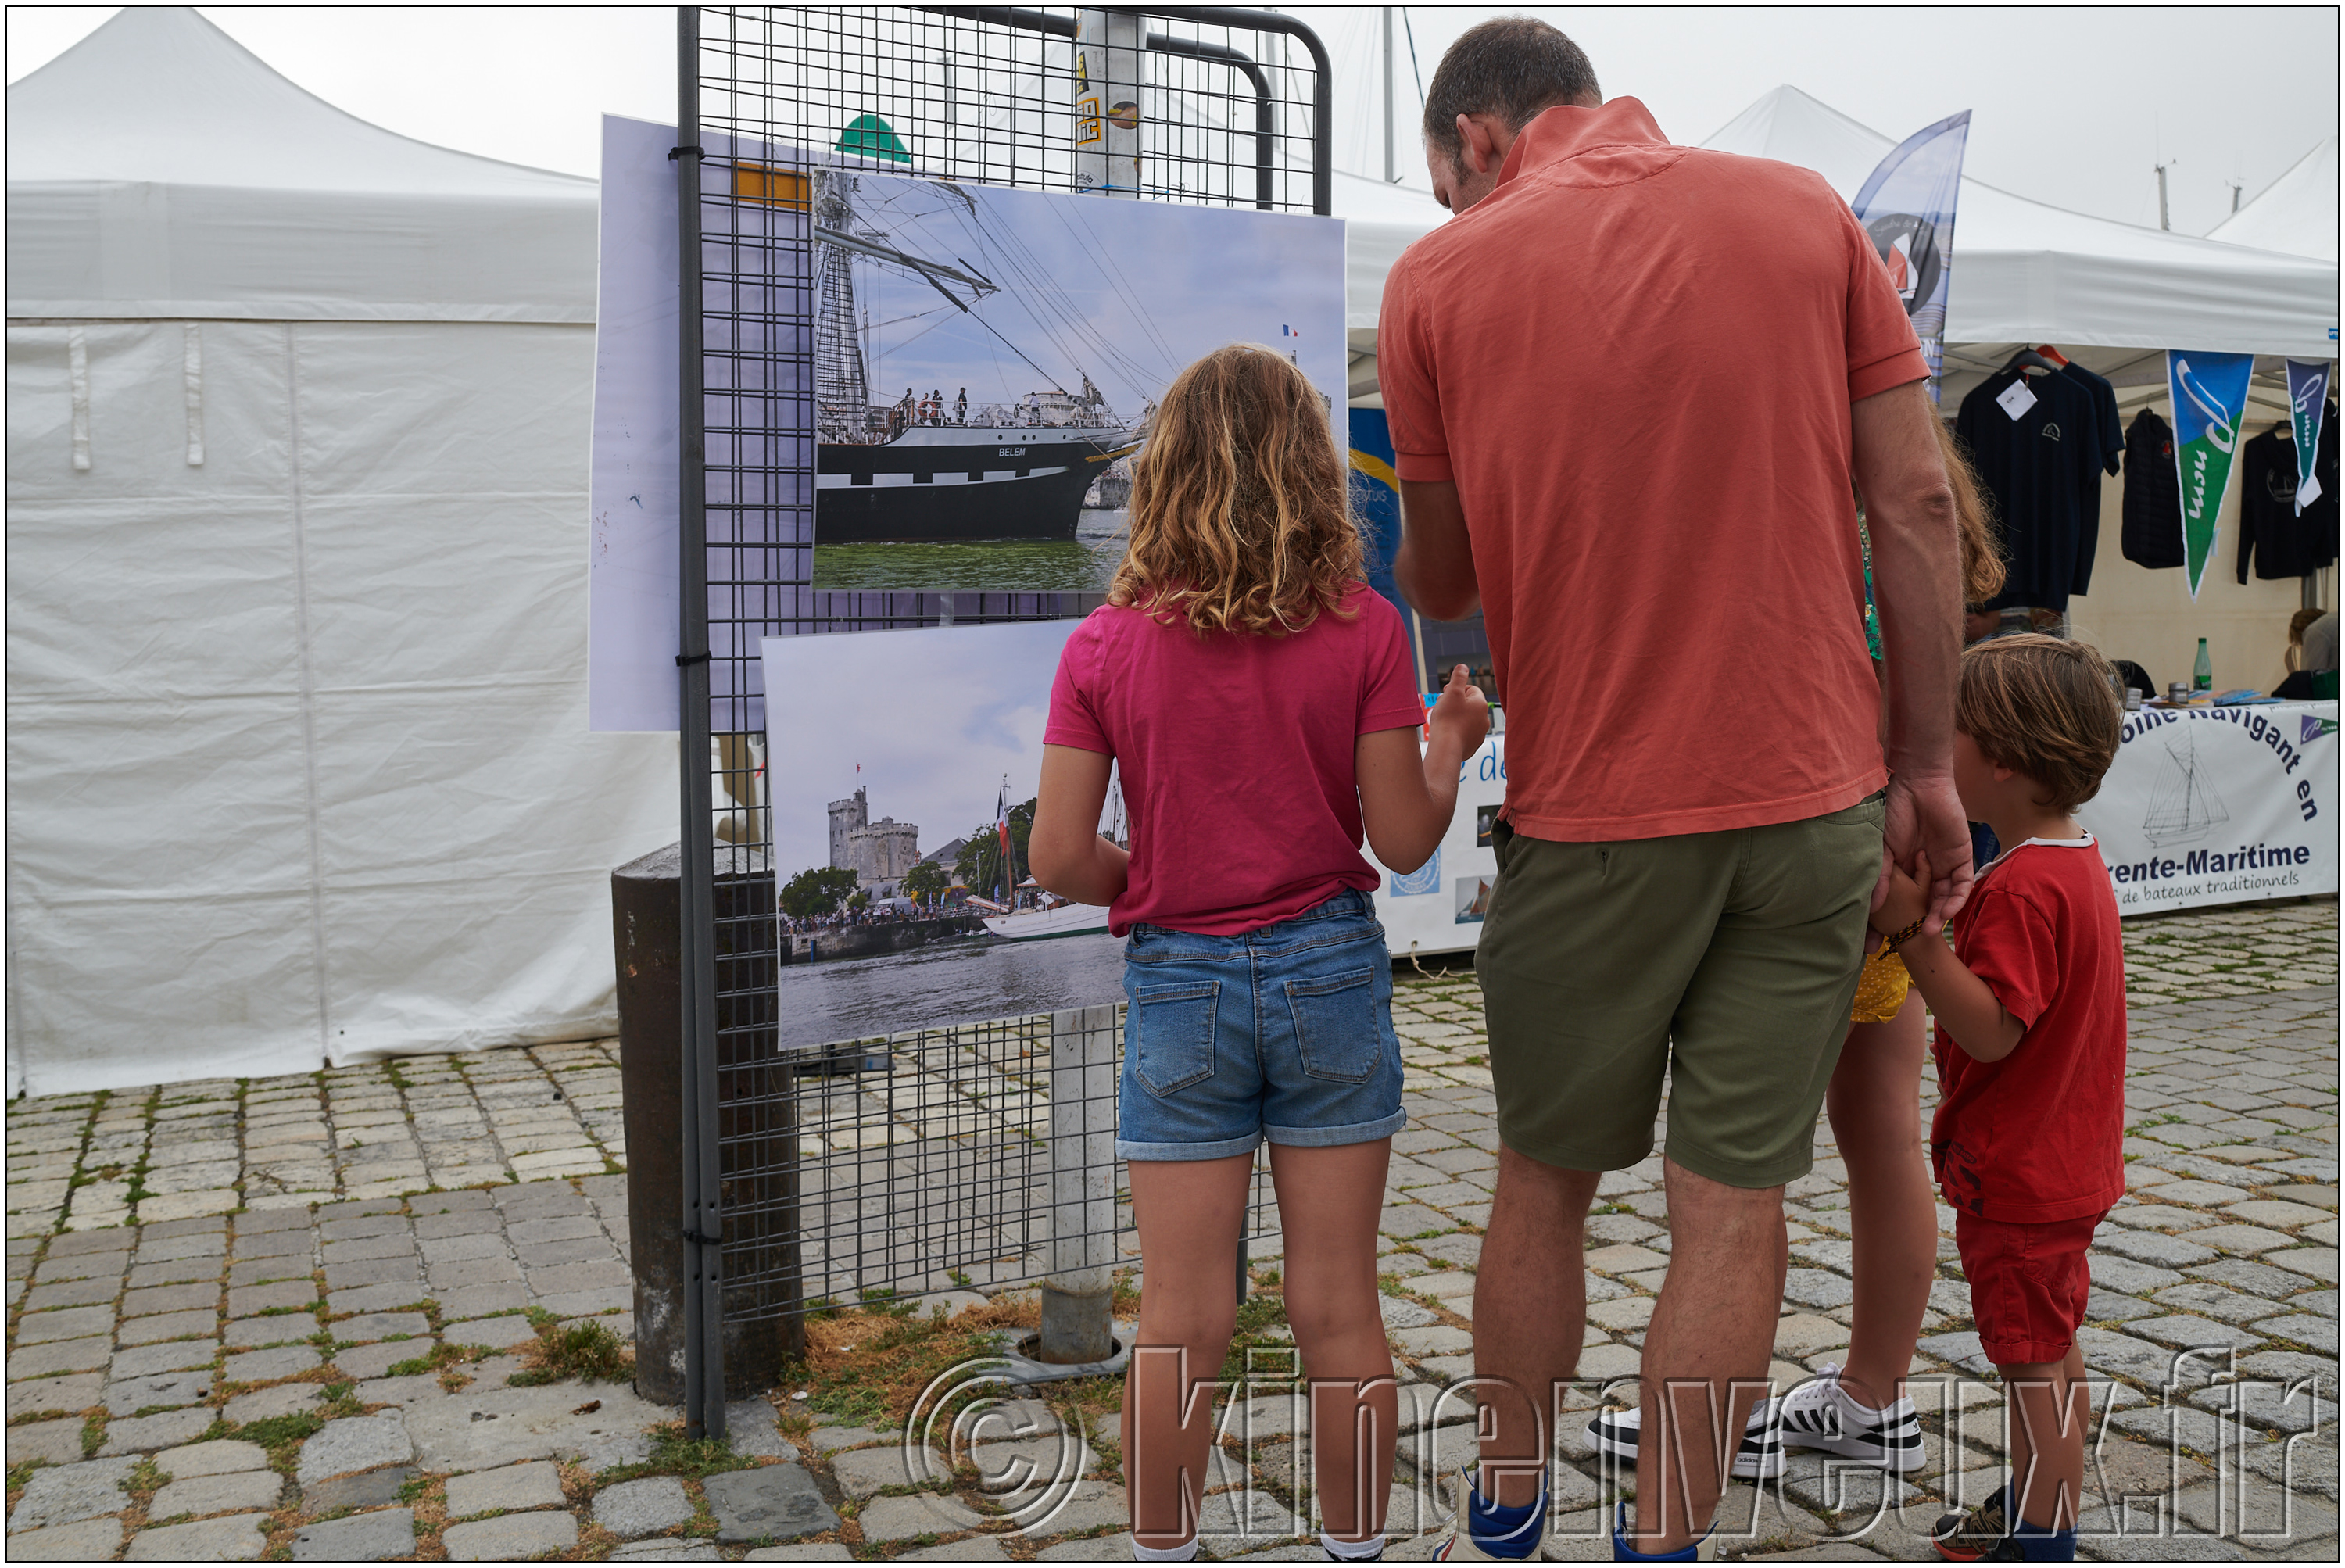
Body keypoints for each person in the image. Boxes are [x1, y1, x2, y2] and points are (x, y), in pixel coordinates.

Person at [1377, 19, 1969, 1562]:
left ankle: (1506, 1506)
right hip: (1814, 794)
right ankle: (1667, 1544)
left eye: (1450, 185)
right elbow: (1912, 499)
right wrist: (1923, 762)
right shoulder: (1803, 213)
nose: (1456, 212)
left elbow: (1442, 579)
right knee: (1734, 1202)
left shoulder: (1441, 282)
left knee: (1543, 1181)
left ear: (1480, 141)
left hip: (1596, 811)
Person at [1027, 344, 1491, 1566]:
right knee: (1338, 1307)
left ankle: (1163, 1548)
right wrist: (1449, 748)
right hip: (1330, 974)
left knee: (1183, 1317)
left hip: (1179, 981)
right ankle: (1354, 1547)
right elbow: (1399, 838)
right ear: (1310, 472)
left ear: (1162, 472)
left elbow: (1057, 854)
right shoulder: (1367, 628)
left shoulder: (1104, 648)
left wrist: (1157, 884)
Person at [1593, 418, 2007, 1484]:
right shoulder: (1916, 514)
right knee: (1875, 1135)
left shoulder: (1799, 507)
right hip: (1892, 853)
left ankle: (1705, 1412)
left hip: (1813, 849)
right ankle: (1873, 1392)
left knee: (1738, 1153)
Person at [1870, 634, 2126, 1563]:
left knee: (2028, 1357)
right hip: (2065, 1160)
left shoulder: (2022, 887)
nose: (1940, 754)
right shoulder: (2072, 861)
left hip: (2020, 1174)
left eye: (1954, 736)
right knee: (2053, 1344)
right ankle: (2037, 1493)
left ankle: (2042, 1534)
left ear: (2005, 759)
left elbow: (1992, 1030)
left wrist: (1912, 936)